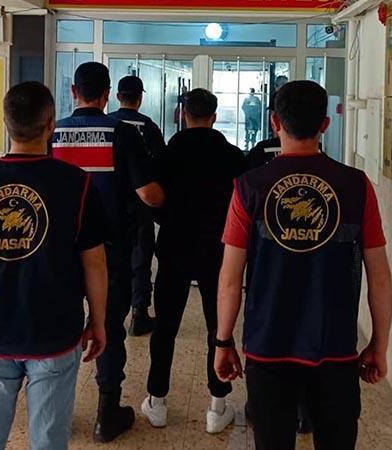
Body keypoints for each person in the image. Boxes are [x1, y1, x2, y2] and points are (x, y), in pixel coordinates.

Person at [215, 80, 392, 450]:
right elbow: (379, 276)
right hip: (335, 345)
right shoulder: (356, 186)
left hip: (267, 344)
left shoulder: (249, 187)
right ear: (325, 125)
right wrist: (379, 343)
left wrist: (223, 340)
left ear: (274, 122)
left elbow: (230, 280)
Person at [0, 82, 108, 450]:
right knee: (49, 440)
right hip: (53, 331)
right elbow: (95, 263)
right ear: (51, 124)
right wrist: (98, 321)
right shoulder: (77, 184)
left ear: (6, 123)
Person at [51, 62, 165, 443]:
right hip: (110, 251)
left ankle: (55, 410)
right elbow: (148, 193)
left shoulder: (53, 132)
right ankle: (106, 414)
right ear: (106, 94)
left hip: (60, 251)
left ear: (73, 92)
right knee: (110, 328)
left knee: (62, 328)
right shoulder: (121, 133)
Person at [141, 88, 246, 434]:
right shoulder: (233, 156)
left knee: (165, 327)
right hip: (219, 252)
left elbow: (151, 197)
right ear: (213, 117)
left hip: (174, 247)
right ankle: (217, 406)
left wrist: (167, 218)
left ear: (184, 115)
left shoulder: (166, 153)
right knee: (219, 328)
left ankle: (157, 401)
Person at [108, 75, 166, 337]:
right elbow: (161, 164)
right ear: (140, 98)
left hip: (111, 202)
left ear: (117, 96)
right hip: (141, 202)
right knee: (141, 258)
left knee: (109, 260)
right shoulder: (148, 126)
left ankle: (101, 311)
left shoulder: (109, 125)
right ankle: (139, 313)